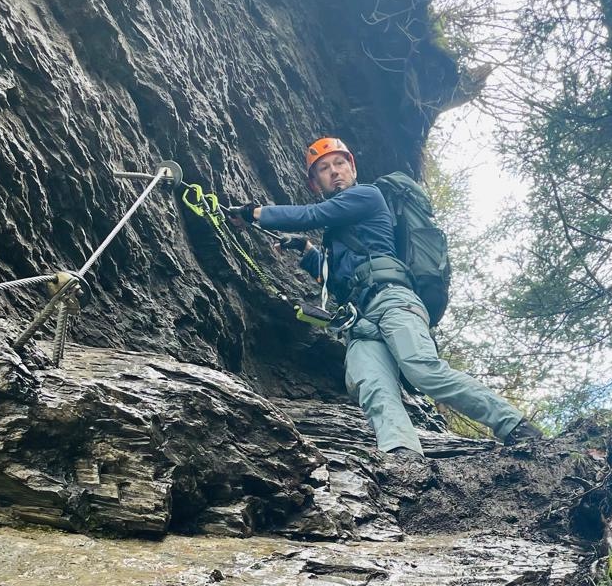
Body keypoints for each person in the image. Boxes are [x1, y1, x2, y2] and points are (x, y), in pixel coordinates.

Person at [229, 137, 541, 459]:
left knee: (422, 369)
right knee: (372, 385)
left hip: (393, 300)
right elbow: (337, 279)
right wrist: (307, 250)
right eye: (323, 168)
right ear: (315, 182)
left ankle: (514, 425)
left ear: (352, 168)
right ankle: (403, 455)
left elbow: (312, 215)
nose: (334, 171)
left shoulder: (367, 196)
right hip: (360, 318)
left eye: (339, 163)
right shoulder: (338, 233)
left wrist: (254, 213)